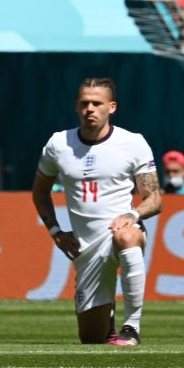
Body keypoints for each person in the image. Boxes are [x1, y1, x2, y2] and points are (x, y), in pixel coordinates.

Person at [31, 78, 162, 346]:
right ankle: (108, 318)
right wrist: (56, 232)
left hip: (120, 231)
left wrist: (133, 216)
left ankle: (131, 327)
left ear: (111, 107)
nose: (90, 108)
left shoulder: (133, 142)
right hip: (85, 248)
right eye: (84, 103)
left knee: (127, 237)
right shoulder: (59, 144)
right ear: (76, 107)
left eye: (97, 103)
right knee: (91, 338)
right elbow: (39, 192)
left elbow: (154, 198)